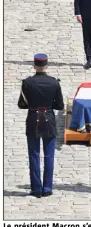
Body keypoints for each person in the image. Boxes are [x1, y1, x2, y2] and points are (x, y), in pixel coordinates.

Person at [18, 53, 64, 198]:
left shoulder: (27, 83)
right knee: (49, 155)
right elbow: (59, 105)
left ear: (34, 66)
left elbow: (21, 104)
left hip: (33, 118)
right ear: (47, 66)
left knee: (34, 154)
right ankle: (48, 187)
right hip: (48, 119)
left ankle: (36, 188)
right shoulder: (54, 83)